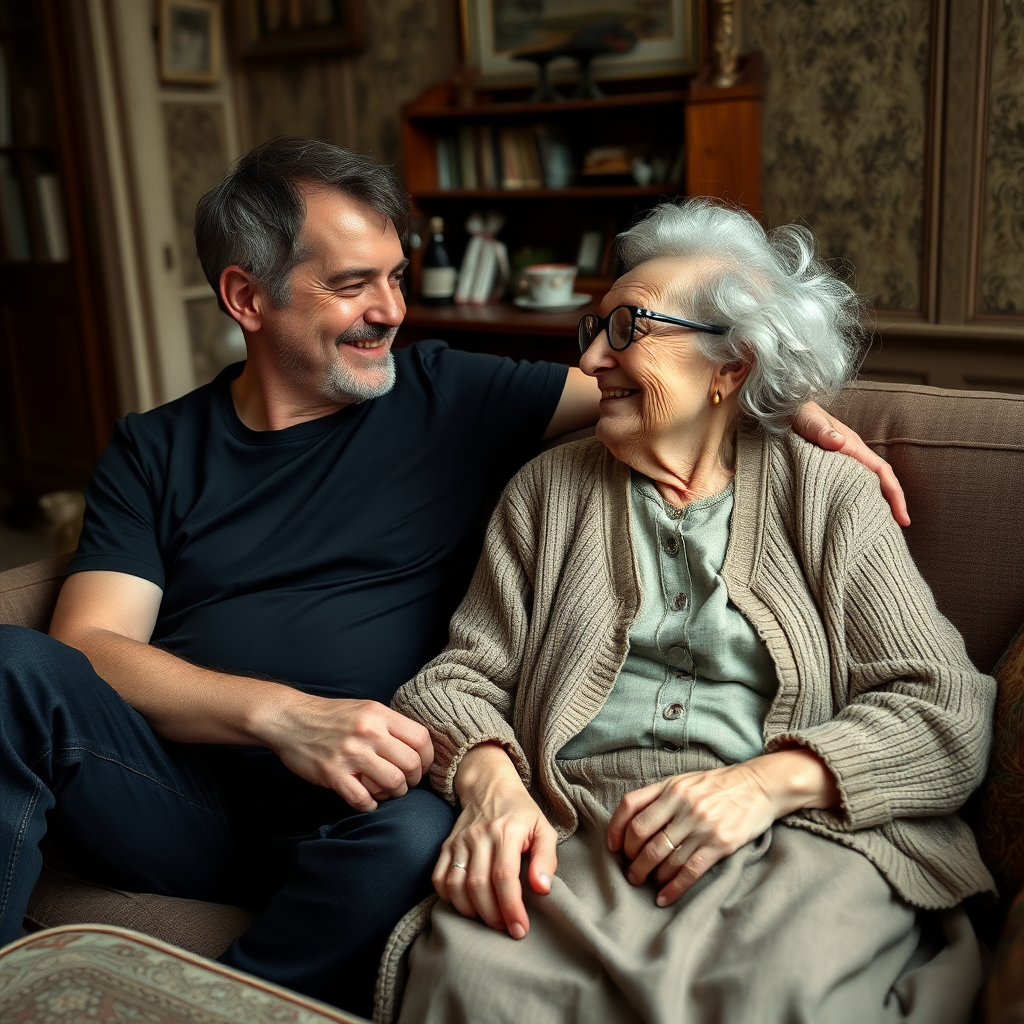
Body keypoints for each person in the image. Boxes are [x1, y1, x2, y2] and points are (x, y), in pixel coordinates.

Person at [0, 139, 900, 1017]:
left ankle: (216, 1003)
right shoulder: (158, 448)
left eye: (397, 274)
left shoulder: (448, 394)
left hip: (367, 804)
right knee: (11, 668)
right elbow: (90, 649)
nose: (392, 309)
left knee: (416, 838)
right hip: (175, 795)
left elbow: (674, 384)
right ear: (247, 296)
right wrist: (284, 716)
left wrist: (807, 414)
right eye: (353, 284)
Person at [384, 200, 995, 1024]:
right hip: (575, 835)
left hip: (795, 839)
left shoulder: (827, 495)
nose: (594, 357)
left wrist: (763, 785)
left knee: (777, 997)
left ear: (731, 365)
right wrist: (495, 789)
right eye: (592, 328)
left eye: (627, 327)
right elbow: (456, 681)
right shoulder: (545, 493)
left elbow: (946, 710)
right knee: (472, 987)